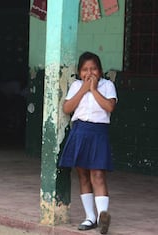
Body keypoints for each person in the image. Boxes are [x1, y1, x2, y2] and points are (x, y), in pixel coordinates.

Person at [58, 51, 117, 234]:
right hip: (79, 132)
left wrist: (93, 90)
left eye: (93, 69)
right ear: (79, 71)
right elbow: (67, 108)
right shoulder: (76, 85)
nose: (89, 73)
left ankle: (102, 217)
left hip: (98, 133)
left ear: (100, 71)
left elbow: (109, 107)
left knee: (98, 175)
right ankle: (90, 217)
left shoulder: (108, 85)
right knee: (83, 175)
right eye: (85, 69)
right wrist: (84, 89)